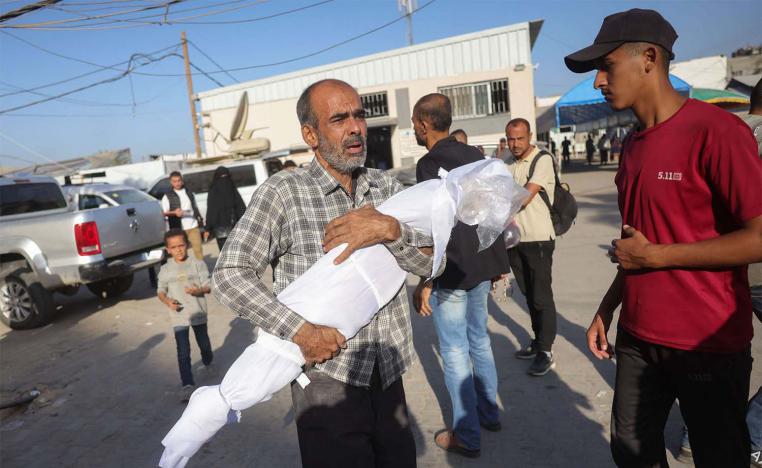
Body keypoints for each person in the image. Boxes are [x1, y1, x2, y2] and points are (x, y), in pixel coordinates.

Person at [566, 8, 762, 468]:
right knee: (631, 453)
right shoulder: (632, 145)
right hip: (637, 337)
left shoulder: (716, 132)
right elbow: (638, 247)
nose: (598, 81)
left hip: (707, 342)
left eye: (606, 66)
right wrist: (608, 306)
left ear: (649, 58)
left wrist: (657, 256)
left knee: (719, 458)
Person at [212, 79, 438, 468]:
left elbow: (434, 262)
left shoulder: (386, 188)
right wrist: (303, 333)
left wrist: (390, 230)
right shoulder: (284, 192)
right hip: (326, 380)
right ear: (310, 134)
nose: (355, 128)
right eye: (339, 119)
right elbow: (229, 274)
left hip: (388, 373)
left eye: (359, 115)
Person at [412, 93, 509, 458]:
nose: (415, 129)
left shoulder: (429, 163)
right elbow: (494, 211)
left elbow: (432, 228)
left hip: (452, 271)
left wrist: (425, 280)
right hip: (482, 265)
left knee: (454, 352)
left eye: (415, 123)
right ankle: (489, 414)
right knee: (479, 341)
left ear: (423, 124)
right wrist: (499, 263)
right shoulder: (476, 156)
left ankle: (467, 435)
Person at [504, 118, 559, 376]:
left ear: (530, 136)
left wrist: (499, 204)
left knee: (541, 296)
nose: (515, 144)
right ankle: (537, 342)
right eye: (511, 139)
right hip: (515, 241)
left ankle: (546, 351)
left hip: (538, 239)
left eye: (519, 138)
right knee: (528, 295)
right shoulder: (508, 165)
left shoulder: (542, 160)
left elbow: (526, 195)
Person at [157, 229, 214, 402]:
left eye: (181, 245)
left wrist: (199, 290)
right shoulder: (165, 269)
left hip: (197, 312)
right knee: (183, 351)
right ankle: (187, 385)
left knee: (203, 344)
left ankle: (208, 361)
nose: (179, 250)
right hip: (179, 316)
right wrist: (167, 301)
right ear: (168, 250)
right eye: (174, 247)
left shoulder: (198, 264)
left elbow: (208, 286)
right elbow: (160, 291)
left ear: (187, 245)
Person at [161, 171, 204, 260]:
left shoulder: (189, 192)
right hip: (178, 228)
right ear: (171, 182)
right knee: (182, 253)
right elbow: (164, 212)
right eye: (174, 181)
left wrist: (200, 219)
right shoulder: (167, 196)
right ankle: (185, 271)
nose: (177, 183)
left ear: (182, 181)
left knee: (198, 250)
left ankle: (201, 271)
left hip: (193, 225)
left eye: (179, 180)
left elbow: (195, 206)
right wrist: (175, 213)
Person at [204, 166, 246, 251]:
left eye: (225, 177)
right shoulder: (229, 188)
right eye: (221, 177)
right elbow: (212, 211)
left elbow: (240, 207)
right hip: (231, 228)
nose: (224, 180)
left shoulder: (216, 190)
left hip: (227, 228)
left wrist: (208, 227)